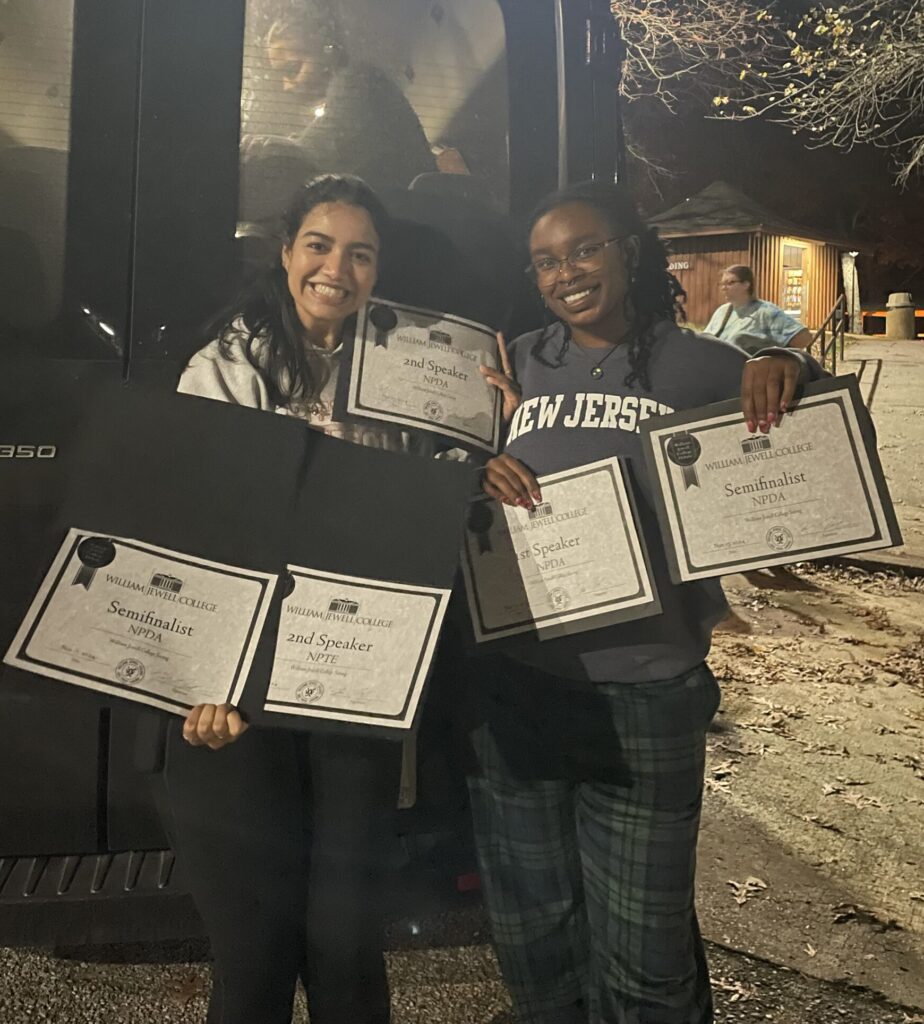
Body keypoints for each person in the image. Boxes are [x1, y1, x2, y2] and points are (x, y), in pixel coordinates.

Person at [465, 181, 824, 1024]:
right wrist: (474, 468)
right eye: (547, 261)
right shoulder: (513, 361)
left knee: (644, 950)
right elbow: (451, 464)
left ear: (628, 252)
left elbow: (818, 429)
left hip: (647, 686)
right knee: (534, 934)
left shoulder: (696, 362)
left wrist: (791, 364)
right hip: (521, 679)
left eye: (584, 249)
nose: (567, 272)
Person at [164, 175, 414, 1024]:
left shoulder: (405, 381)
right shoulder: (221, 368)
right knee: (254, 948)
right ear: (285, 252)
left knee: (346, 945)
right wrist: (205, 674)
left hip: (354, 681)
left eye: (360, 252)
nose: (336, 267)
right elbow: (194, 533)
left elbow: (422, 517)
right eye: (319, 244)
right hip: (236, 695)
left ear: (379, 271)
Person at [243, 4, 436, 192]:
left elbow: (316, 151)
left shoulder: (357, 81)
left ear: (326, 49)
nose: (286, 86)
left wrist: (264, 149)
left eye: (293, 69)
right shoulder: (351, 89)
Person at [704, 264, 813, 353]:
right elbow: (705, 340)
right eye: (722, 284)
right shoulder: (722, 311)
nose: (724, 288)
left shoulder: (765, 312)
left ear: (746, 284)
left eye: (730, 283)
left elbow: (803, 338)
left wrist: (779, 360)